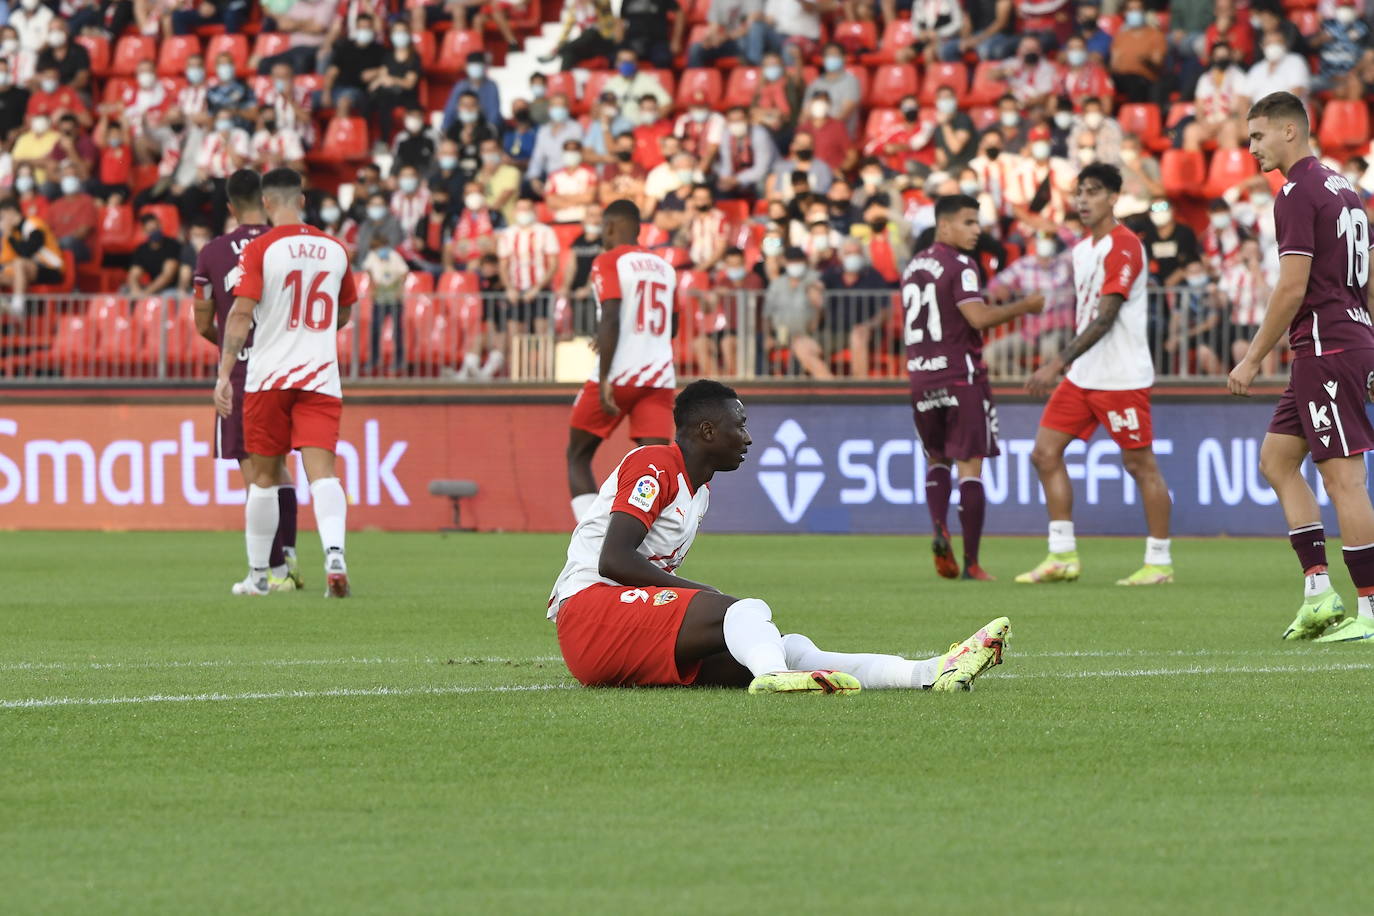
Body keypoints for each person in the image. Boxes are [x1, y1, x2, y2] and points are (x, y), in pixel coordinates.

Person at [549, 379, 1013, 693]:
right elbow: (614, 560)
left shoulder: (700, 490)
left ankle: (928, 673)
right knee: (744, 612)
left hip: (624, 627)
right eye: (741, 424)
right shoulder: (655, 464)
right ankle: (773, 680)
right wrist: (712, 599)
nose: (748, 437)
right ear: (707, 430)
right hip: (590, 611)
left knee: (786, 647)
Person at [1228, 91, 1374, 642]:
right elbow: (1370, 277)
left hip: (1326, 347)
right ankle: (1318, 592)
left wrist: (1251, 356)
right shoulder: (1347, 189)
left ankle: (1371, 611)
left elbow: (1292, 287)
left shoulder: (1296, 191)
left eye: (1258, 136)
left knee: (1343, 479)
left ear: (1290, 131)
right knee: (1276, 459)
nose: (1252, 148)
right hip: (1344, 342)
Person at [1019, 162, 1174, 586]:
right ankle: (1062, 555)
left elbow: (1106, 317)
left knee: (1139, 464)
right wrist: (1069, 364)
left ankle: (1159, 562)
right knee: (1044, 454)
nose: (1083, 200)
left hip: (1120, 377)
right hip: (1084, 375)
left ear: (1112, 198)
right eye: (1079, 192)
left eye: (1092, 191)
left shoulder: (1124, 246)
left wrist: (1057, 361)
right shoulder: (1083, 249)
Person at [213, 167, 357, 598]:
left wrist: (223, 374)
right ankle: (335, 554)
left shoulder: (262, 247)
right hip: (320, 376)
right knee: (323, 475)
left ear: (268, 203)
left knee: (262, 476)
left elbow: (240, 313)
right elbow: (344, 311)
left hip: (268, 377)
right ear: (303, 201)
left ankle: (259, 576)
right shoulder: (335, 249)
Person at [905, 195, 1045, 580]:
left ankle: (938, 525)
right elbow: (978, 317)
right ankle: (971, 562)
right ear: (944, 225)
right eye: (968, 222)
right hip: (960, 376)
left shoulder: (913, 265)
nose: (977, 230)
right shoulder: (962, 264)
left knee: (936, 459)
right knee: (970, 467)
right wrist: (1024, 306)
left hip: (920, 375)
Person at [191, 170, 301, 592]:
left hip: (245, 368)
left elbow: (204, 321)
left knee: (255, 475)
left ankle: (272, 573)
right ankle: (288, 555)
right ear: (267, 200)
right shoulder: (286, 246)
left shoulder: (214, 252)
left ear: (230, 207)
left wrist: (230, 345)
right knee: (281, 466)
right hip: (290, 365)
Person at [565, 199, 679, 524]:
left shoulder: (608, 260)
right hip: (658, 379)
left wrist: (603, 378)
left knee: (577, 455)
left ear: (611, 226)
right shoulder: (665, 267)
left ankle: (592, 538)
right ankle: (648, 544)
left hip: (620, 373)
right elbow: (673, 326)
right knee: (655, 467)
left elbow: (612, 314)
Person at [0, 195, 63, 318]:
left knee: (19, 263)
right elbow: (6, 260)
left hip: (52, 269)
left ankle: (18, 308)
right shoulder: (13, 233)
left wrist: (8, 235)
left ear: (11, 212)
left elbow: (27, 251)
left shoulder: (34, 223)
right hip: (29, 271)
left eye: (2, 217)